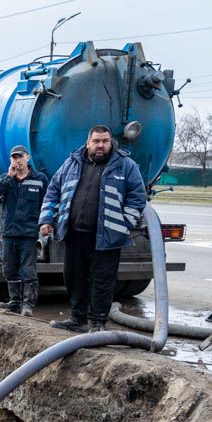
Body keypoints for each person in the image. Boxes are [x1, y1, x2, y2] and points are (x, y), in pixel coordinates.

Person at [40, 125, 147, 333]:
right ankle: (77, 319)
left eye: (105, 141)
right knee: (74, 278)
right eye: (96, 141)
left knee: (102, 281)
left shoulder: (125, 165)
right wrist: (47, 219)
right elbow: (53, 190)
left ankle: (97, 323)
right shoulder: (72, 163)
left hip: (108, 236)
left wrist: (125, 222)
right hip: (75, 234)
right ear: (88, 142)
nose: (101, 145)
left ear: (111, 143)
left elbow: (137, 196)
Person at [0, 145, 48, 316]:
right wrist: (9, 177)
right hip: (9, 232)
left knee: (28, 271)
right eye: (14, 158)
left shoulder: (40, 179)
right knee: (9, 269)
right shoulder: (6, 179)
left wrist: (45, 224)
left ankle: (28, 305)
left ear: (27, 157)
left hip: (29, 233)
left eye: (20, 157)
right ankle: (15, 302)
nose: (17, 160)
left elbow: (47, 202)